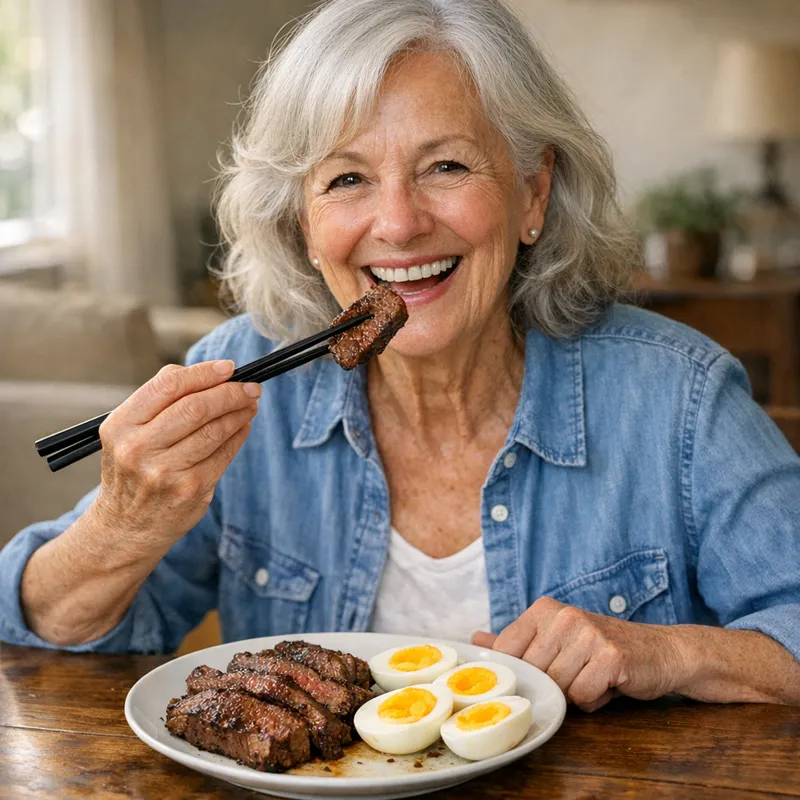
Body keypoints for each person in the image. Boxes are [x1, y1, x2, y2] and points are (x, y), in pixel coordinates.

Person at [1, 0, 798, 712]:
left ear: (532, 193)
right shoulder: (244, 383)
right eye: (347, 178)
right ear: (302, 226)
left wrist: (669, 651)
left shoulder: (679, 396)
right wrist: (119, 524)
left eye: (446, 166)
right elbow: (37, 629)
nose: (400, 222)